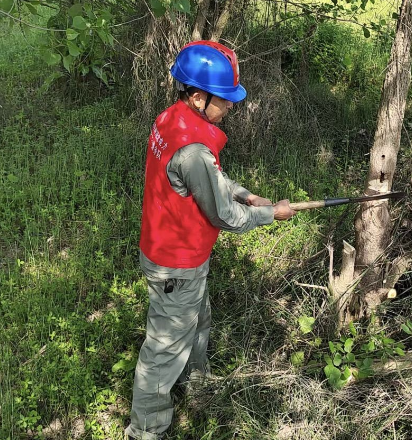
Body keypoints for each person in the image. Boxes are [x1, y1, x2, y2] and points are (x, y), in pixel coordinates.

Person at [125, 40, 296, 440]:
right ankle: (145, 430)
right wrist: (271, 213)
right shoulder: (195, 150)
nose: (232, 106)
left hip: (179, 255)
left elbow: (213, 184)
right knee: (162, 351)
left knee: (198, 320)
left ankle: (196, 385)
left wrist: (247, 194)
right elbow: (223, 215)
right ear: (199, 95)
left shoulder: (172, 119)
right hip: (175, 262)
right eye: (225, 99)